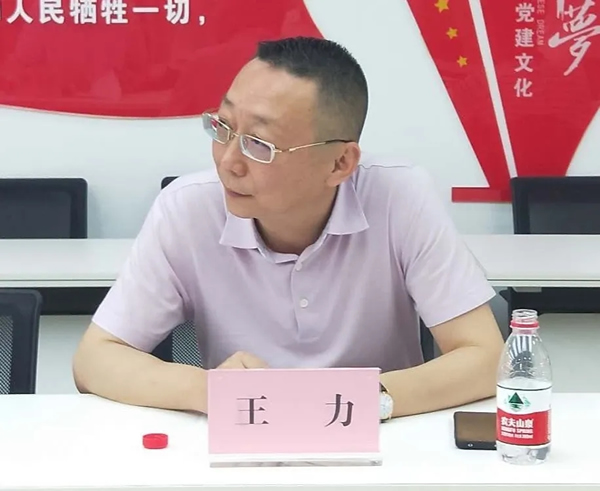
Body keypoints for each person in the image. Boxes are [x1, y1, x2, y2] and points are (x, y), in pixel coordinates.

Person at [73, 36, 504, 420]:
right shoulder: (188, 209)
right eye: (223, 127)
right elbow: (95, 359)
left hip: (379, 442)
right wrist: (209, 390)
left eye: (259, 144)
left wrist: (359, 402)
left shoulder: (399, 196)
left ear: (340, 163)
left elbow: (486, 357)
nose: (228, 161)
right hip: (240, 441)